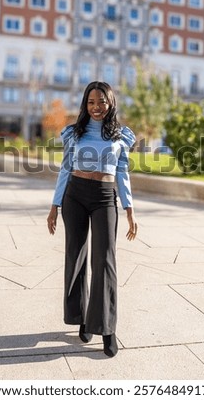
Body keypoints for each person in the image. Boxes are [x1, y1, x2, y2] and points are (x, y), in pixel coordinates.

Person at [47, 81, 138, 358]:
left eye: (102, 101)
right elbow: (65, 169)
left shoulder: (121, 136)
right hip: (75, 194)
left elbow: (122, 173)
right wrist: (55, 204)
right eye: (91, 102)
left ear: (111, 103)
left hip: (104, 196)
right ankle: (83, 318)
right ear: (85, 105)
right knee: (75, 256)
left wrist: (129, 209)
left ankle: (107, 328)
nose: (96, 107)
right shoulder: (74, 133)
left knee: (105, 260)